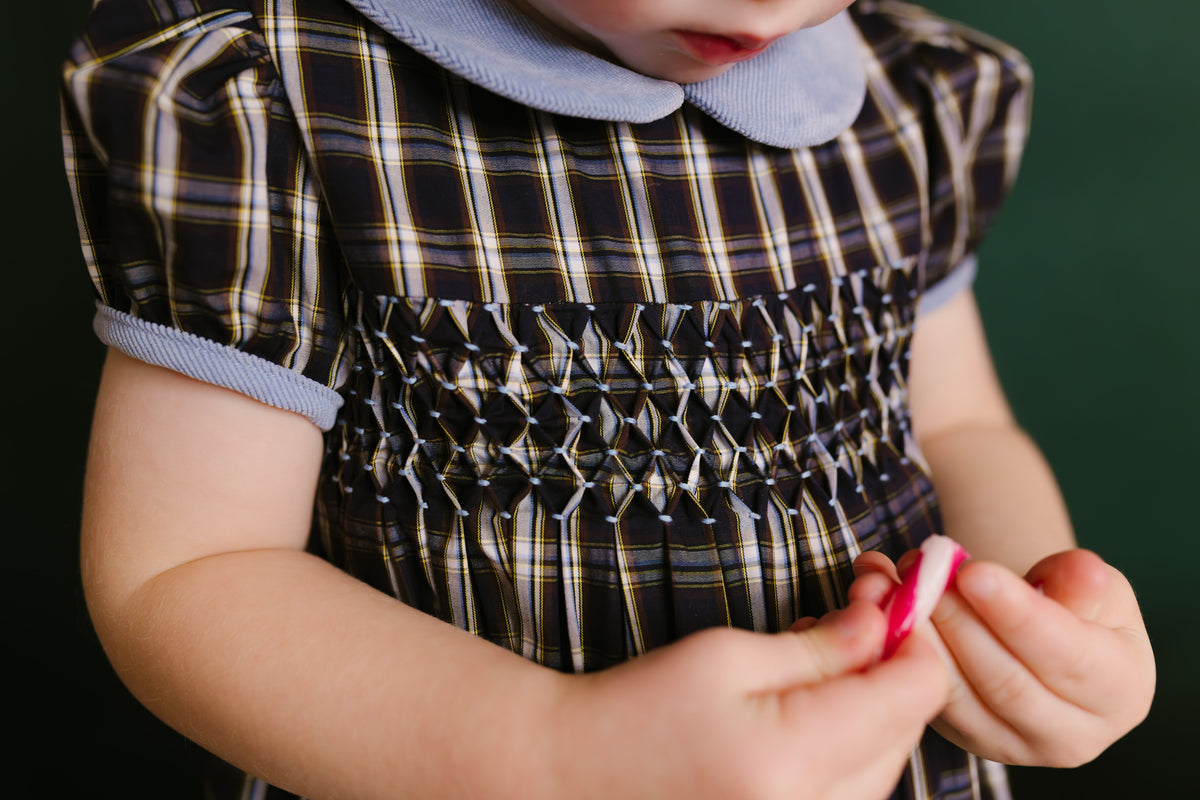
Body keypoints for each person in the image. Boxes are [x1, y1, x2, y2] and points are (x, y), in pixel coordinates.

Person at [61, 0, 1155, 798]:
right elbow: (187, 571)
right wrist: (549, 750)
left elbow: (958, 425)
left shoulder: (909, 96)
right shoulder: (274, 94)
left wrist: (1036, 623)